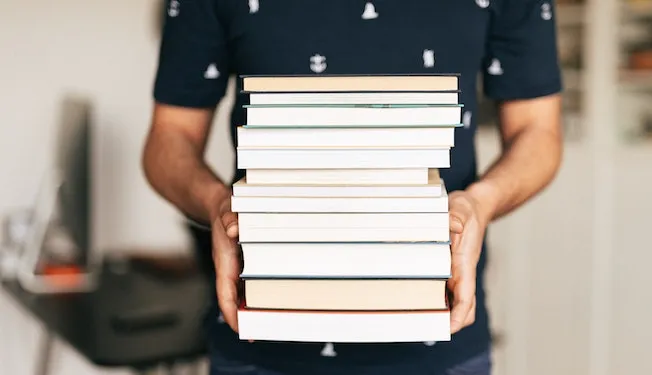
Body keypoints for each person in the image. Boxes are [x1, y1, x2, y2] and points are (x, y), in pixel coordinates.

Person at [142, 0, 564, 374]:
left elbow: (538, 132)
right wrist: (216, 202)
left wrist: (481, 203)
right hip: (259, 341)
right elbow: (169, 137)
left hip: (439, 341)